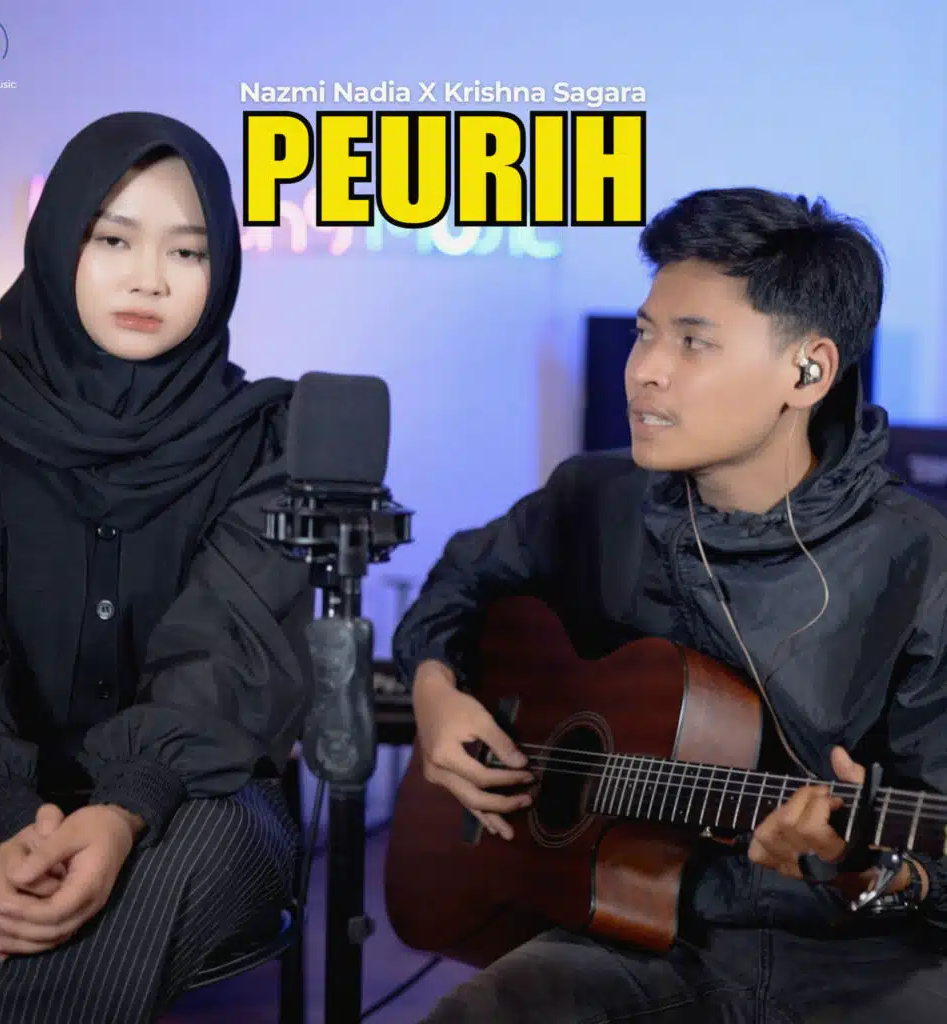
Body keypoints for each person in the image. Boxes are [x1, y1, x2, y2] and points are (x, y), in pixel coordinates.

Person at [392, 187, 947, 1022]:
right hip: (633, 934)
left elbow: (932, 866)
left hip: (863, 961)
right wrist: (434, 689)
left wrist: (865, 867)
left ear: (808, 370)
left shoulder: (922, 561)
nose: (644, 368)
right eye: (645, 331)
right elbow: (461, 582)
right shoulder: (596, 496)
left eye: (693, 342)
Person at [0, 111, 314, 1022]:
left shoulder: (272, 437)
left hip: (193, 803)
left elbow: (223, 659)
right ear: (58, 240)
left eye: (188, 251)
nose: (149, 278)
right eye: (113, 239)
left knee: (216, 836)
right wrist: (4, 823)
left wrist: (123, 807)